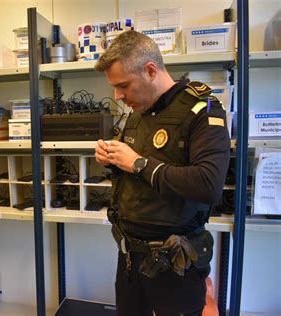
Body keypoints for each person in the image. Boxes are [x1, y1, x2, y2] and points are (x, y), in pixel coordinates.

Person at [94, 30, 230, 316]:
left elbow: (208, 185)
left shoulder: (201, 109)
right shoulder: (137, 112)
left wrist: (138, 163)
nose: (118, 96)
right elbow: (135, 176)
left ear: (151, 70)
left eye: (123, 86)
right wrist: (113, 161)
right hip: (130, 258)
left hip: (175, 264)